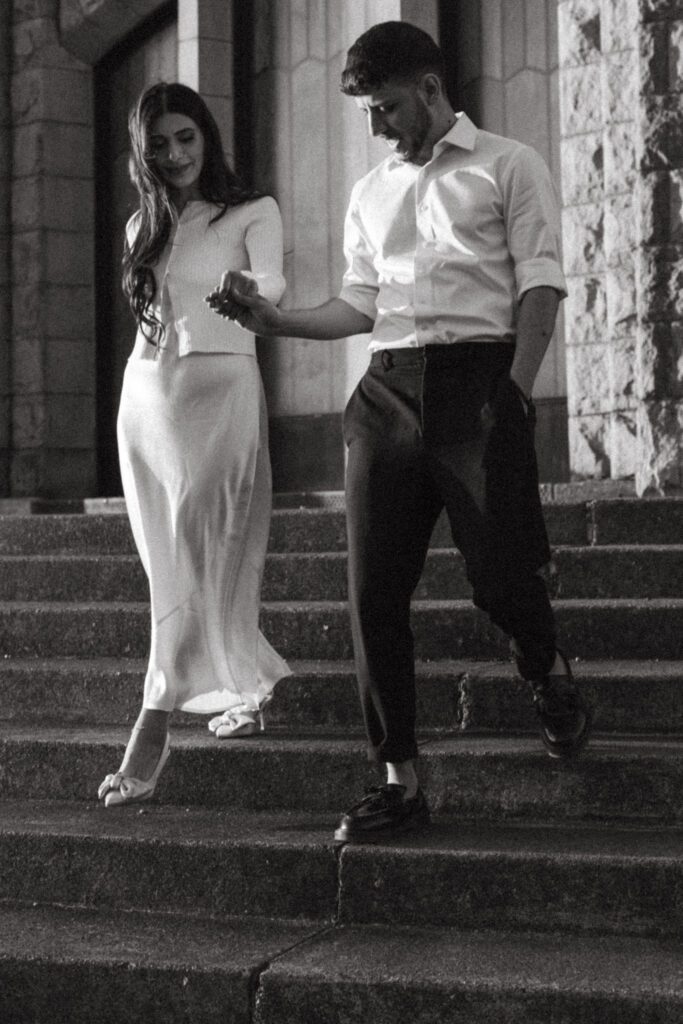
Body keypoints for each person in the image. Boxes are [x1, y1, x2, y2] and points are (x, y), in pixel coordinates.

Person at [212, 22, 591, 840]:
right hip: (385, 393)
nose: (377, 126)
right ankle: (398, 778)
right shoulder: (370, 192)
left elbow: (540, 285)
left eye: (385, 107)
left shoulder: (507, 165)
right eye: (366, 113)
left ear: (428, 88)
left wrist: (514, 395)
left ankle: (543, 667)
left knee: (500, 576)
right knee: (372, 593)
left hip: (480, 382)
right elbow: (360, 303)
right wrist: (275, 321)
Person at [98, 82, 290, 808]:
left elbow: (273, 278)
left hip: (224, 392)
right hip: (148, 401)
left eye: (186, 137)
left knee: (210, 550)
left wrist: (250, 288)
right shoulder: (138, 227)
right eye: (160, 144)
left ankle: (152, 723)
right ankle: (248, 685)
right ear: (142, 152)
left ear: (206, 136)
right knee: (170, 563)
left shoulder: (253, 210)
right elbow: (149, 318)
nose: (176, 153)